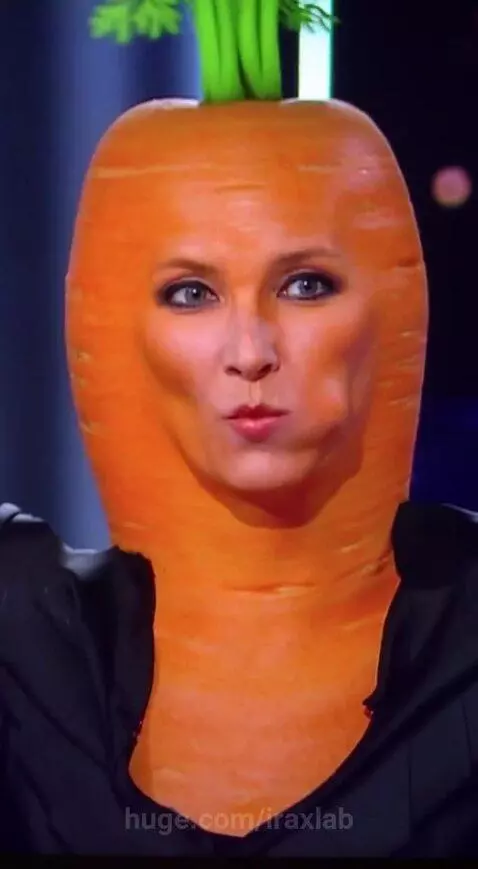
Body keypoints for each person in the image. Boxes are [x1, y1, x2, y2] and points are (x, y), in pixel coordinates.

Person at [1, 96, 478, 857]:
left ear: (392, 308)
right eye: (190, 293)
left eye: (305, 285)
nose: (250, 350)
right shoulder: (23, 633)